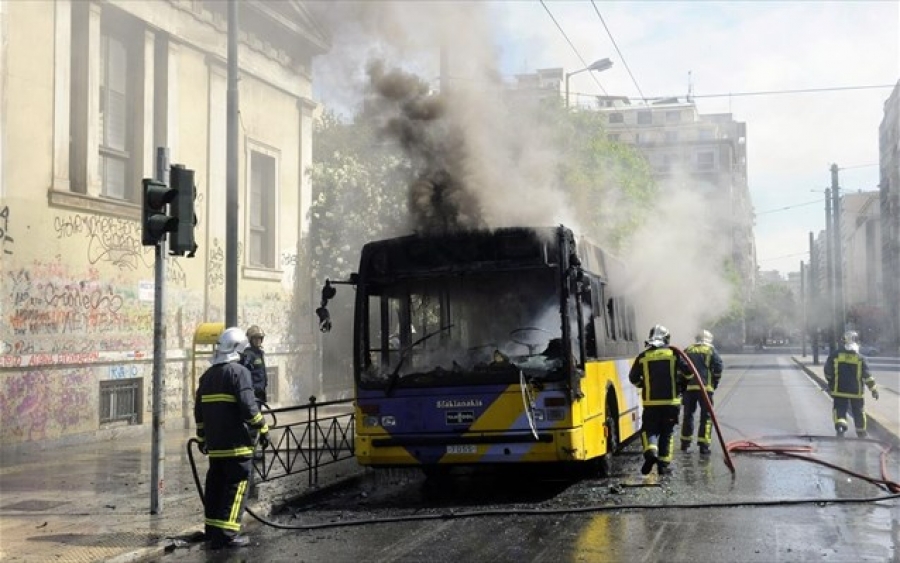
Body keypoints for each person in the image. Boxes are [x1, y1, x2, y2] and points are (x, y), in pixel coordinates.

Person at [195, 326, 269, 549]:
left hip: (216, 446)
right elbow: (248, 407)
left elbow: (198, 411)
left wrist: (202, 438)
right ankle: (228, 533)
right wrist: (263, 428)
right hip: (237, 446)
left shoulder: (207, 376)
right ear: (238, 349)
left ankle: (213, 530)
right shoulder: (239, 372)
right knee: (236, 489)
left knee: (216, 486)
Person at [629, 324, 692, 476]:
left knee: (648, 430)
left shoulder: (643, 356)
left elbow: (633, 378)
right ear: (666, 338)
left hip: (651, 403)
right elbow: (689, 373)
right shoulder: (674, 354)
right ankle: (663, 466)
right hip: (671, 403)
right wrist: (681, 386)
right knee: (667, 433)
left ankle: (651, 452)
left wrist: (644, 385)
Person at [824, 330, 879, 438]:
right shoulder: (860, 358)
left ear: (843, 341)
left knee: (839, 409)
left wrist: (830, 383)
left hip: (839, 390)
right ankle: (861, 431)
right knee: (858, 411)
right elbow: (867, 376)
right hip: (856, 392)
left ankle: (841, 426)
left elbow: (827, 372)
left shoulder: (835, 355)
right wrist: (874, 390)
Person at [680, 329, 724, 455]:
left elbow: (680, 369)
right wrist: (715, 382)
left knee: (688, 415)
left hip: (689, 389)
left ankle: (685, 443)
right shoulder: (710, 350)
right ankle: (703, 446)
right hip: (706, 388)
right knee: (706, 417)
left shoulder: (688, 350)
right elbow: (718, 367)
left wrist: (682, 387)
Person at [240, 325, 268, 404]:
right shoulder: (248, 354)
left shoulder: (259, 353)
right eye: (255, 338)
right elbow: (244, 374)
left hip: (260, 393)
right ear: (250, 339)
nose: (258, 340)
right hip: (253, 394)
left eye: (260, 338)